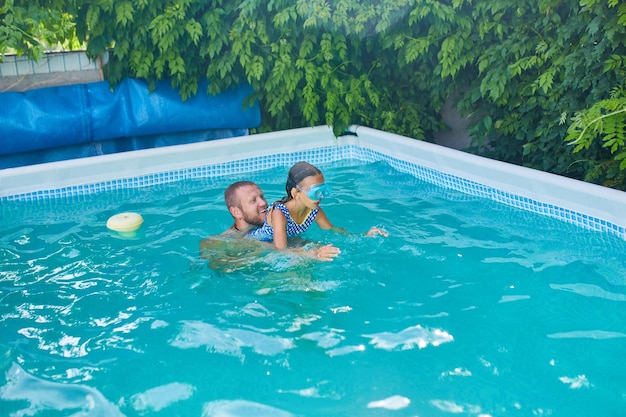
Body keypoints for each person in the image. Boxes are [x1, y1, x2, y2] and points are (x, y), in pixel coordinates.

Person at [248, 161, 388, 261]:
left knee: (313, 247)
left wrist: (363, 235)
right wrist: (314, 254)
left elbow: (333, 230)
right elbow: (280, 251)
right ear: (296, 193)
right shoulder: (279, 213)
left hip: (288, 242)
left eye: (323, 191)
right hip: (257, 244)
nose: (320, 197)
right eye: (315, 192)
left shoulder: (314, 211)